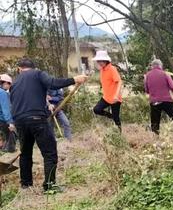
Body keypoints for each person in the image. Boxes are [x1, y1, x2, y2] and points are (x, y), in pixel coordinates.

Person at [9, 58, 87, 192]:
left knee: (25, 153)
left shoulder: (14, 83)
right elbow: (52, 83)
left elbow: (15, 101)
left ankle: (26, 185)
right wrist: (74, 79)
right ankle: (49, 185)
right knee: (50, 152)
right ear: (33, 68)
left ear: (19, 69)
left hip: (20, 121)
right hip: (37, 118)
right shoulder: (37, 74)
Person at [144, 59, 173, 133]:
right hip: (166, 100)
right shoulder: (165, 74)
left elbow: (146, 90)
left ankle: (156, 137)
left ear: (152, 66)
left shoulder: (147, 76)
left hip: (154, 102)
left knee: (155, 123)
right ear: (160, 65)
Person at [92, 50, 123, 130]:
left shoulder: (112, 69)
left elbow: (119, 82)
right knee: (96, 110)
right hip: (106, 97)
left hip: (115, 99)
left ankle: (119, 134)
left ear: (105, 60)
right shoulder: (102, 70)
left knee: (116, 119)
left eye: (101, 61)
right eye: (98, 61)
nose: (99, 63)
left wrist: (116, 95)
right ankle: (111, 116)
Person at [0, 74, 16, 152]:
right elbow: (5, 108)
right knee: (11, 135)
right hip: (3, 119)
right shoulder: (2, 93)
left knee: (6, 136)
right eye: (9, 84)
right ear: (5, 83)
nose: (9, 87)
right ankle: (10, 151)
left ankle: (4, 149)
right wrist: (10, 122)